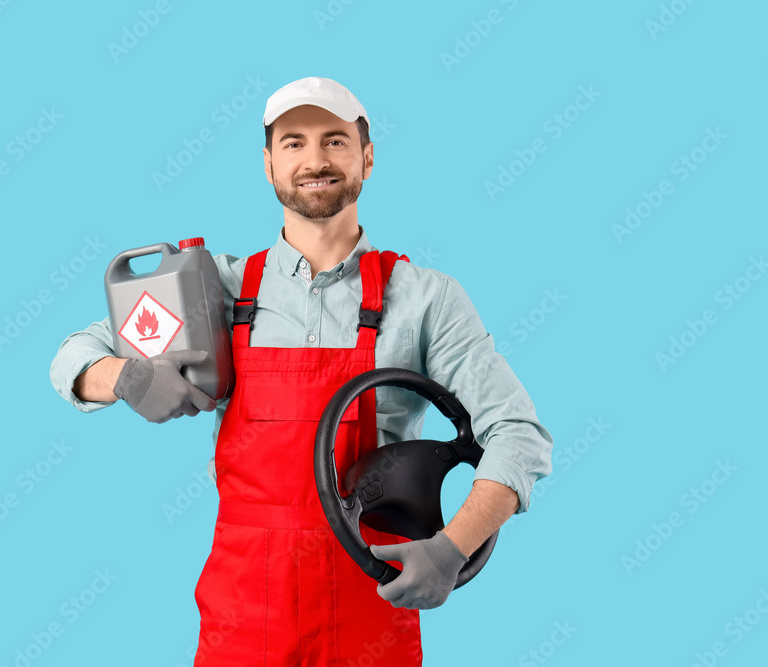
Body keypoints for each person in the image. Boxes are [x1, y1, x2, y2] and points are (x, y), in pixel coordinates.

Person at [49, 76, 553, 665]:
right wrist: (125, 378)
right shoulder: (212, 289)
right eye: (294, 142)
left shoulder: (425, 299)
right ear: (268, 164)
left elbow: (519, 435)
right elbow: (74, 355)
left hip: (372, 599)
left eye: (335, 140)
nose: (315, 160)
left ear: (367, 157)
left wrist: (451, 549)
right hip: (244, 612)